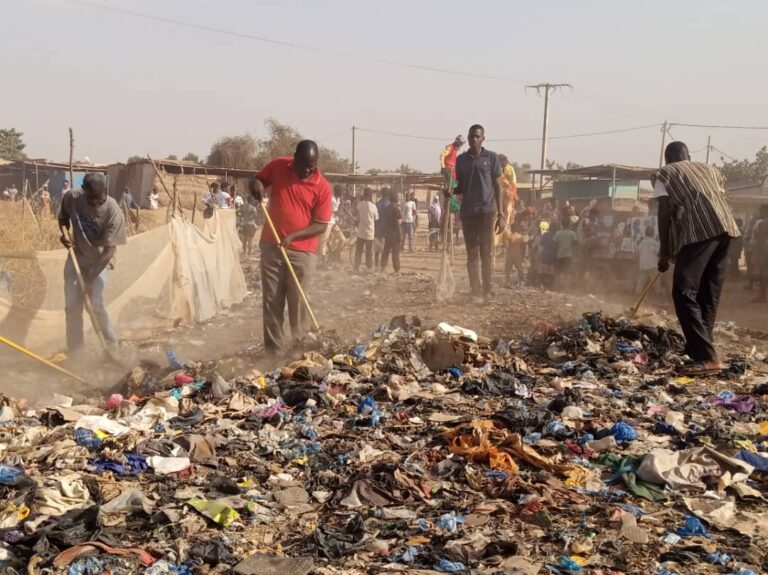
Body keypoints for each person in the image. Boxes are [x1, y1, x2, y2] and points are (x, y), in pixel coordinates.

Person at [654, 141, 741, 375]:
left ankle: (707, 356)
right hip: (727, 230)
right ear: (689, 156)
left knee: (683, 291)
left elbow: (663, 213)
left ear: (667, 159)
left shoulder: (665, 174)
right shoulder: (711, 170)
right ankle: (701, 349)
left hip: (700, 231)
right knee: (708, 293)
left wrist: (664, 252)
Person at [249, 140, 332, 354]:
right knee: (272, 300)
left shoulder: (322, 187)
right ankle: (273, 350)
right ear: (294, 157)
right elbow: (258, 180)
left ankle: (299, 347)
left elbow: (321, 225)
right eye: (302, 164)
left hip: (303, 252)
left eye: (311, 165)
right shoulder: (278, 166)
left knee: (298, 301)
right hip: (271, 244)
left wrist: (294, 236)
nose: (306, 169)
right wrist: (256, 184)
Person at [58, 173, 126, 353]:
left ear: (106, 191)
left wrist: (89, 279)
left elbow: (108, 251)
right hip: (76, 257)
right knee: (72, 305)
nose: (96, 202)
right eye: (91, 198)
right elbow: (63, 219)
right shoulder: (72, 197)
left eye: (100, 198)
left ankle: (112, 345)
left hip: (99, 262)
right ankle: (75, 350)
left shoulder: (114, 212)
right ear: (84, 191)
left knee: (95, 303)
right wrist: (64, 237)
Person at [450, 124, 504, 302]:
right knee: (472, 253)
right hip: (468, 212)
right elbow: (461, 187)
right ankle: (475, 291)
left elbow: (498, 186)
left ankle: (487, 291)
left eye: (477, 136)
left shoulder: (492, 158)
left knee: (486, 252)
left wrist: (501, 214)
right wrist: (451, 191)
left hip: (487, 211)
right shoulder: (461, 160)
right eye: (472, 136)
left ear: (483, 138)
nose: (474, 139)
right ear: (468, 137)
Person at [354, 188, 379, 272]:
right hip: (370, 231)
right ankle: (369, 267)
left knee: (359, 250)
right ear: (371, 195)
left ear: (364, 195)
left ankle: (356, 267)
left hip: (361, 229)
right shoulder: (373, 206)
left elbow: (357, 213)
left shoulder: (360, 204)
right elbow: (376, 218)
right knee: (369, 250)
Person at [379, 189, 402, 273]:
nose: (398, 197)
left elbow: (384, 221)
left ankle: (383, 267)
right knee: (395, 253)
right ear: (395, 198)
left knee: (386, 251)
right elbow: (398, 224)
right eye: (398, 196)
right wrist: (400, 235)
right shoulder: (397, 209)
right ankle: (397, 270)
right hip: (395, 234)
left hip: (387, 233)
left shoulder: (386, 209)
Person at [636, 225, 660, 295]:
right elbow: (659, 252)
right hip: (652, 265)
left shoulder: (641, 243)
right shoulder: (654, 243)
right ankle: (659, 294)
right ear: (652, 233)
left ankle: (637, 294)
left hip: (643, 265)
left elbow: (639, 253)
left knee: (641, 281)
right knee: (655, 281)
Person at [554, 219, 578, 288]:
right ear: (569, 225)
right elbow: (575, 243)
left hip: (559, 255)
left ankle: (558, 286)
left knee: (559, 272)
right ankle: (566, 286)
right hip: (568, 255)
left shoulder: (558, 233)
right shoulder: (572, 233)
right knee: (567, 272)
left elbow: (555, 243)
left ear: (562, 225)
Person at [504, 223, 525, 287]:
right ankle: (521, 282)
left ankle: (506, 282)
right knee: (519, 268)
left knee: (508, 269)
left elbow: (506, 245)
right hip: (517, 254)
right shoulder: (520, 237)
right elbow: (523, 248)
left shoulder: (509, 236)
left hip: (510, 254)